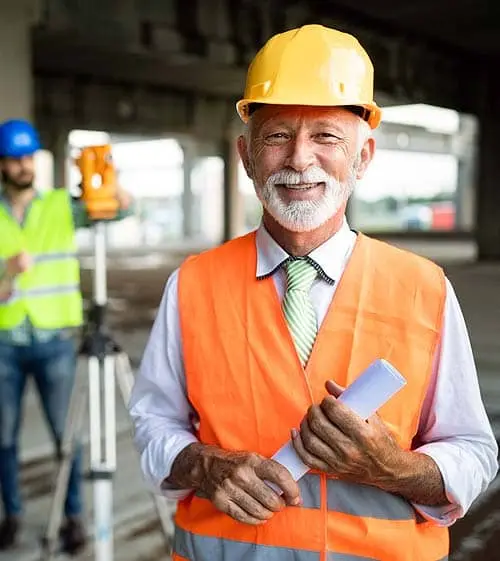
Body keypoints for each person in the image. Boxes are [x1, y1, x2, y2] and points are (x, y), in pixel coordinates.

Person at [128, 24, 498, 561]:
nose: (300, 159)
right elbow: (153, 422)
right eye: (277, 135)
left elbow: (474, 452)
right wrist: (202, 465)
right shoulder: (193, 283)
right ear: (247, 155)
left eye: (326, 136)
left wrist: (392, 468)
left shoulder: (424, 288)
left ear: (364, 156)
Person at [0, 119, 133, 554]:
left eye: (27, 158)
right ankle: (13, 516)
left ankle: (73, 515)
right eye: (14, 158)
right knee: (3, 438)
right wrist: (6, 272)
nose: (22, 166)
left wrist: (110, 184)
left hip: (56, 339)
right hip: (5, 341)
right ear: (3, 163)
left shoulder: (60, 206)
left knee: (66, 435)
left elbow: (120, 209)